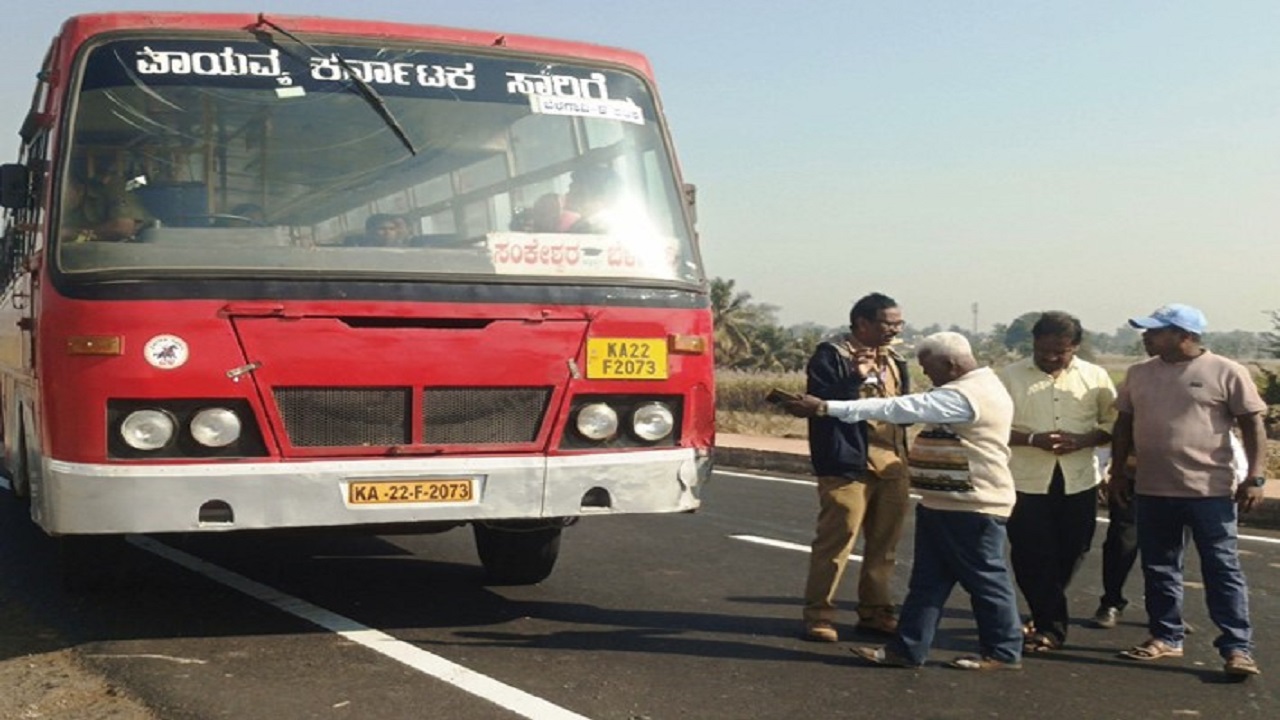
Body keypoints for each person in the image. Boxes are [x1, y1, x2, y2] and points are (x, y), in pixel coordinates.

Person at [785, 331, 1024, 670]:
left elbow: (898, 407)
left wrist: (827, 407)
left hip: (972, 505)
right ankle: (907, 649)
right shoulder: (969, 386)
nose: (927, 376)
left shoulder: (969, 394)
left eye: (929, 368)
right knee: (927, 584)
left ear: (950, 363)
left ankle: (1002, 651)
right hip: (942, 503)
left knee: (986, 582)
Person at [1109, 303, 1266, 677]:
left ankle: (1236, 648)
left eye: (1155, 331)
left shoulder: (1226, 372)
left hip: (1210, 491)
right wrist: (1117, 472)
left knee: (1221, 568)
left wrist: (1255, 477)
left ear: (1184, 335)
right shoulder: (1139, 373)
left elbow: (1252, 426)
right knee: (1159, 566)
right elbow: (1122, 425)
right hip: (1152, 487)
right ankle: (1165, 637)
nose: (1146, 337)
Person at [997, 311, 1117, 653]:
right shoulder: (1009, 377)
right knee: (1031, 553)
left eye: (1060, 352)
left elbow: (1113, 422)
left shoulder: (1095, 377)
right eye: (1043, 350)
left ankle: (1043, 610)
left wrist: (1083, 440)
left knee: (1074, 548)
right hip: (1025, 480)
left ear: (1075, 347)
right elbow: (992, 429)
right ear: (1033, 343)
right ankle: (1050, 627)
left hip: (1078, 480)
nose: (1050, 358)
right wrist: (1033, 439)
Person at [797, 293, 911, 643]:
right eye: (887, 323)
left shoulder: (895, 359)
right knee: (836, 541)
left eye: (897, 323)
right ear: (862, 323)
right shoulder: (830, 355)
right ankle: (820, 614)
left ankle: (876, 612)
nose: (894, 329)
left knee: (884, 546)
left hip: (891, 462)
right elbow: (820, 403)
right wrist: (854, 379)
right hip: (848, 463)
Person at [62, 171, 151, 242]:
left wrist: (71, 234)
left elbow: (123, 228)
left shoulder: (113, 187)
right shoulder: (60, 210)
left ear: (79, 189)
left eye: (62, 193)